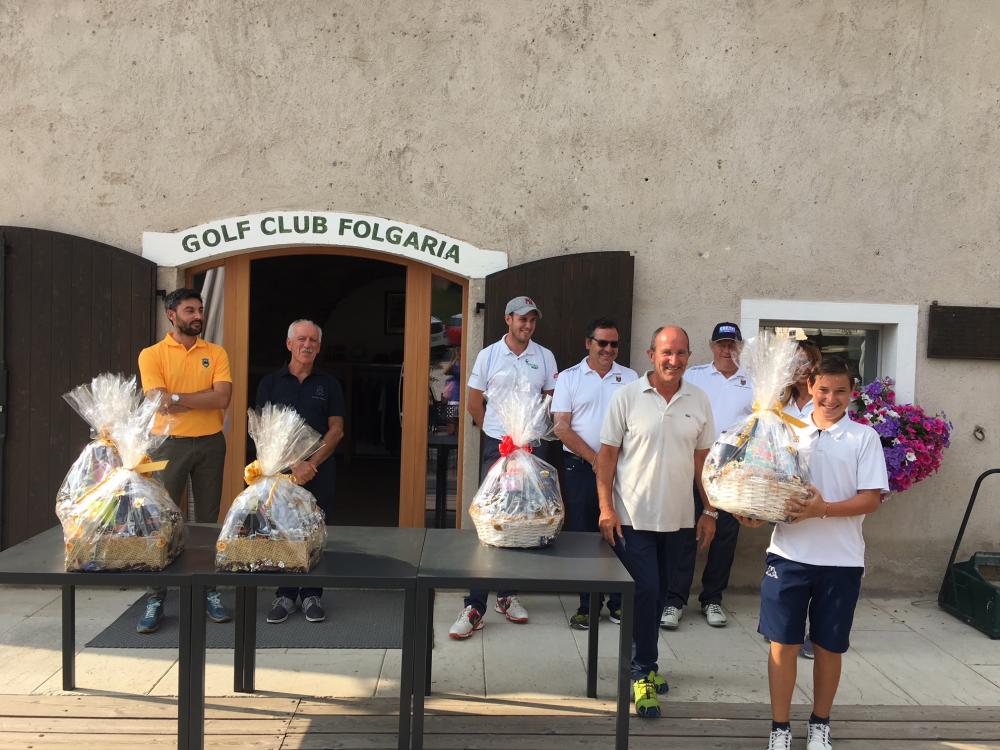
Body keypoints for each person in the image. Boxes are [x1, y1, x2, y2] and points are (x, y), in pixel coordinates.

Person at [736, 356, 888, 750]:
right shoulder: (787, 430)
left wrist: (822, 510)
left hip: (841, 561)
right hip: (788, 555)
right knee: (782, 646)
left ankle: (820, 723)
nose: (831, 399)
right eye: (823, 390)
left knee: (828, 646)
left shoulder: (864, 437)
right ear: (809, 387)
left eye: (840, 391)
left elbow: (871, 499)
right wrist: (754, 513)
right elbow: (768, 487)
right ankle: (780, 728)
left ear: (852, 393)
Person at [596, 325, 718, 718]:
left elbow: (703, 463)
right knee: (645, 591)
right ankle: (642, 670)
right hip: (632, 517)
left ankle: (645, 662)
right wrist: (606, 508)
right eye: (667, 352)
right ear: (651, 354)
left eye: (681, 353)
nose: (673, 360)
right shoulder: (627, 396)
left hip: (679, 520)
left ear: (689, 357)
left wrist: (709, 510)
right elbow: (606, 459)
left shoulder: (698, 399)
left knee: (663, 594)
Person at [448, 295, 558, 640]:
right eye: (522, 319)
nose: (528, 325)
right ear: (508, 319)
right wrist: (496, 434)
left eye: (532, 320)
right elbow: (473, 401)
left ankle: (508, 595)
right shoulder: (489, 355)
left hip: (531, 450)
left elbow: (551, 404)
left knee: (522, 521)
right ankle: (475, 603)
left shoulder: (545, 356)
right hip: (497, 449)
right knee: (490, 519)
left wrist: (525, 440)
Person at [136, 288, 233, 633]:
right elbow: (157, 400)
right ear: (171, 315)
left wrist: (177, 398)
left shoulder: (216, 352)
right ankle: (155, 597)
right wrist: (194, 398)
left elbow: (222, 398)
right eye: (190, 310)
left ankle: (209, 590)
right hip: (167, 446)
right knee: (161, 519)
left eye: (200, 309)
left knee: (207, 521)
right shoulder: (151, 355)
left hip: (210, 443)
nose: (198, 316)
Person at [663, 322, 753, 629]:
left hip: (733, 471)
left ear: (740, 347)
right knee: (685, 534)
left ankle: (712, 598)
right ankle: (674, 600)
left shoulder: (753, 381)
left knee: (724, 537)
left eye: (732, 345)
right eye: (721, 344)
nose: (727, 350)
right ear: (712, 346)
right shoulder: (695, 376)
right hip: (693, 464)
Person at [552, 318, 639, 630]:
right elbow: (561, 426)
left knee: (620, 535)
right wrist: (596, 459)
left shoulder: (630, 378)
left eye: (614, 344)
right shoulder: (569, 378)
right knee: (585, 537)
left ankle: (618, 603)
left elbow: (636, 424)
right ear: (588, 343)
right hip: (580, 468)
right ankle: (587, 606)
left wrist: (610, 462)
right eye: (602, 343)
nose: (608, 349)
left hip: (622, 470)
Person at [257, 320, 345, 624]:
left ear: (319, 347)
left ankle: (311, 594)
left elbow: (336, 430)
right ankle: (285, 594)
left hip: (320, 470)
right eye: (301, 339)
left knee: (314, 529)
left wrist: (311, 464)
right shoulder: (270, 383)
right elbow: (264, 429)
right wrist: (294, 464)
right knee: (283, 529)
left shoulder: (329, 384)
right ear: (289, 344)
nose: (307, 345)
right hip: (282, 471)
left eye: (313, 341)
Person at [781, 339, 822, 658]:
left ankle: (814, 632)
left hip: (819, 491)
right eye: (795, 362)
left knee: (817, 563)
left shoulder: (824, 404)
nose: (801, 368)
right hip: (786, 491)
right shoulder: (779, 405)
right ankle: (786, 630)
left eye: (806, 362)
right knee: (789, 561)